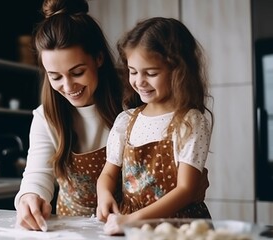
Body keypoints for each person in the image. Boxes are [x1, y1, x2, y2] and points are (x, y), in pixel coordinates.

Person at [14, 0, 209, 232]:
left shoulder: (134, 98)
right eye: (55, 77)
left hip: (134, 226)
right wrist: (29, 198)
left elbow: (180, 172)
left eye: (77, 72)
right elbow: (38, 174)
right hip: (73, 227)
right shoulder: (47, 116)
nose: (68, 86)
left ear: (98, 58)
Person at [96, 17, 214, 235]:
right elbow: (108, 174)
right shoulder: (126, 121)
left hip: (178, 228)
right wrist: (104, 195)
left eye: (150, 73)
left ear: (179, 71)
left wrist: (133, 219)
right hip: (131, 225)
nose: (139, 81)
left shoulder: (190, 122)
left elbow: (186, 190)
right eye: (133, 71)